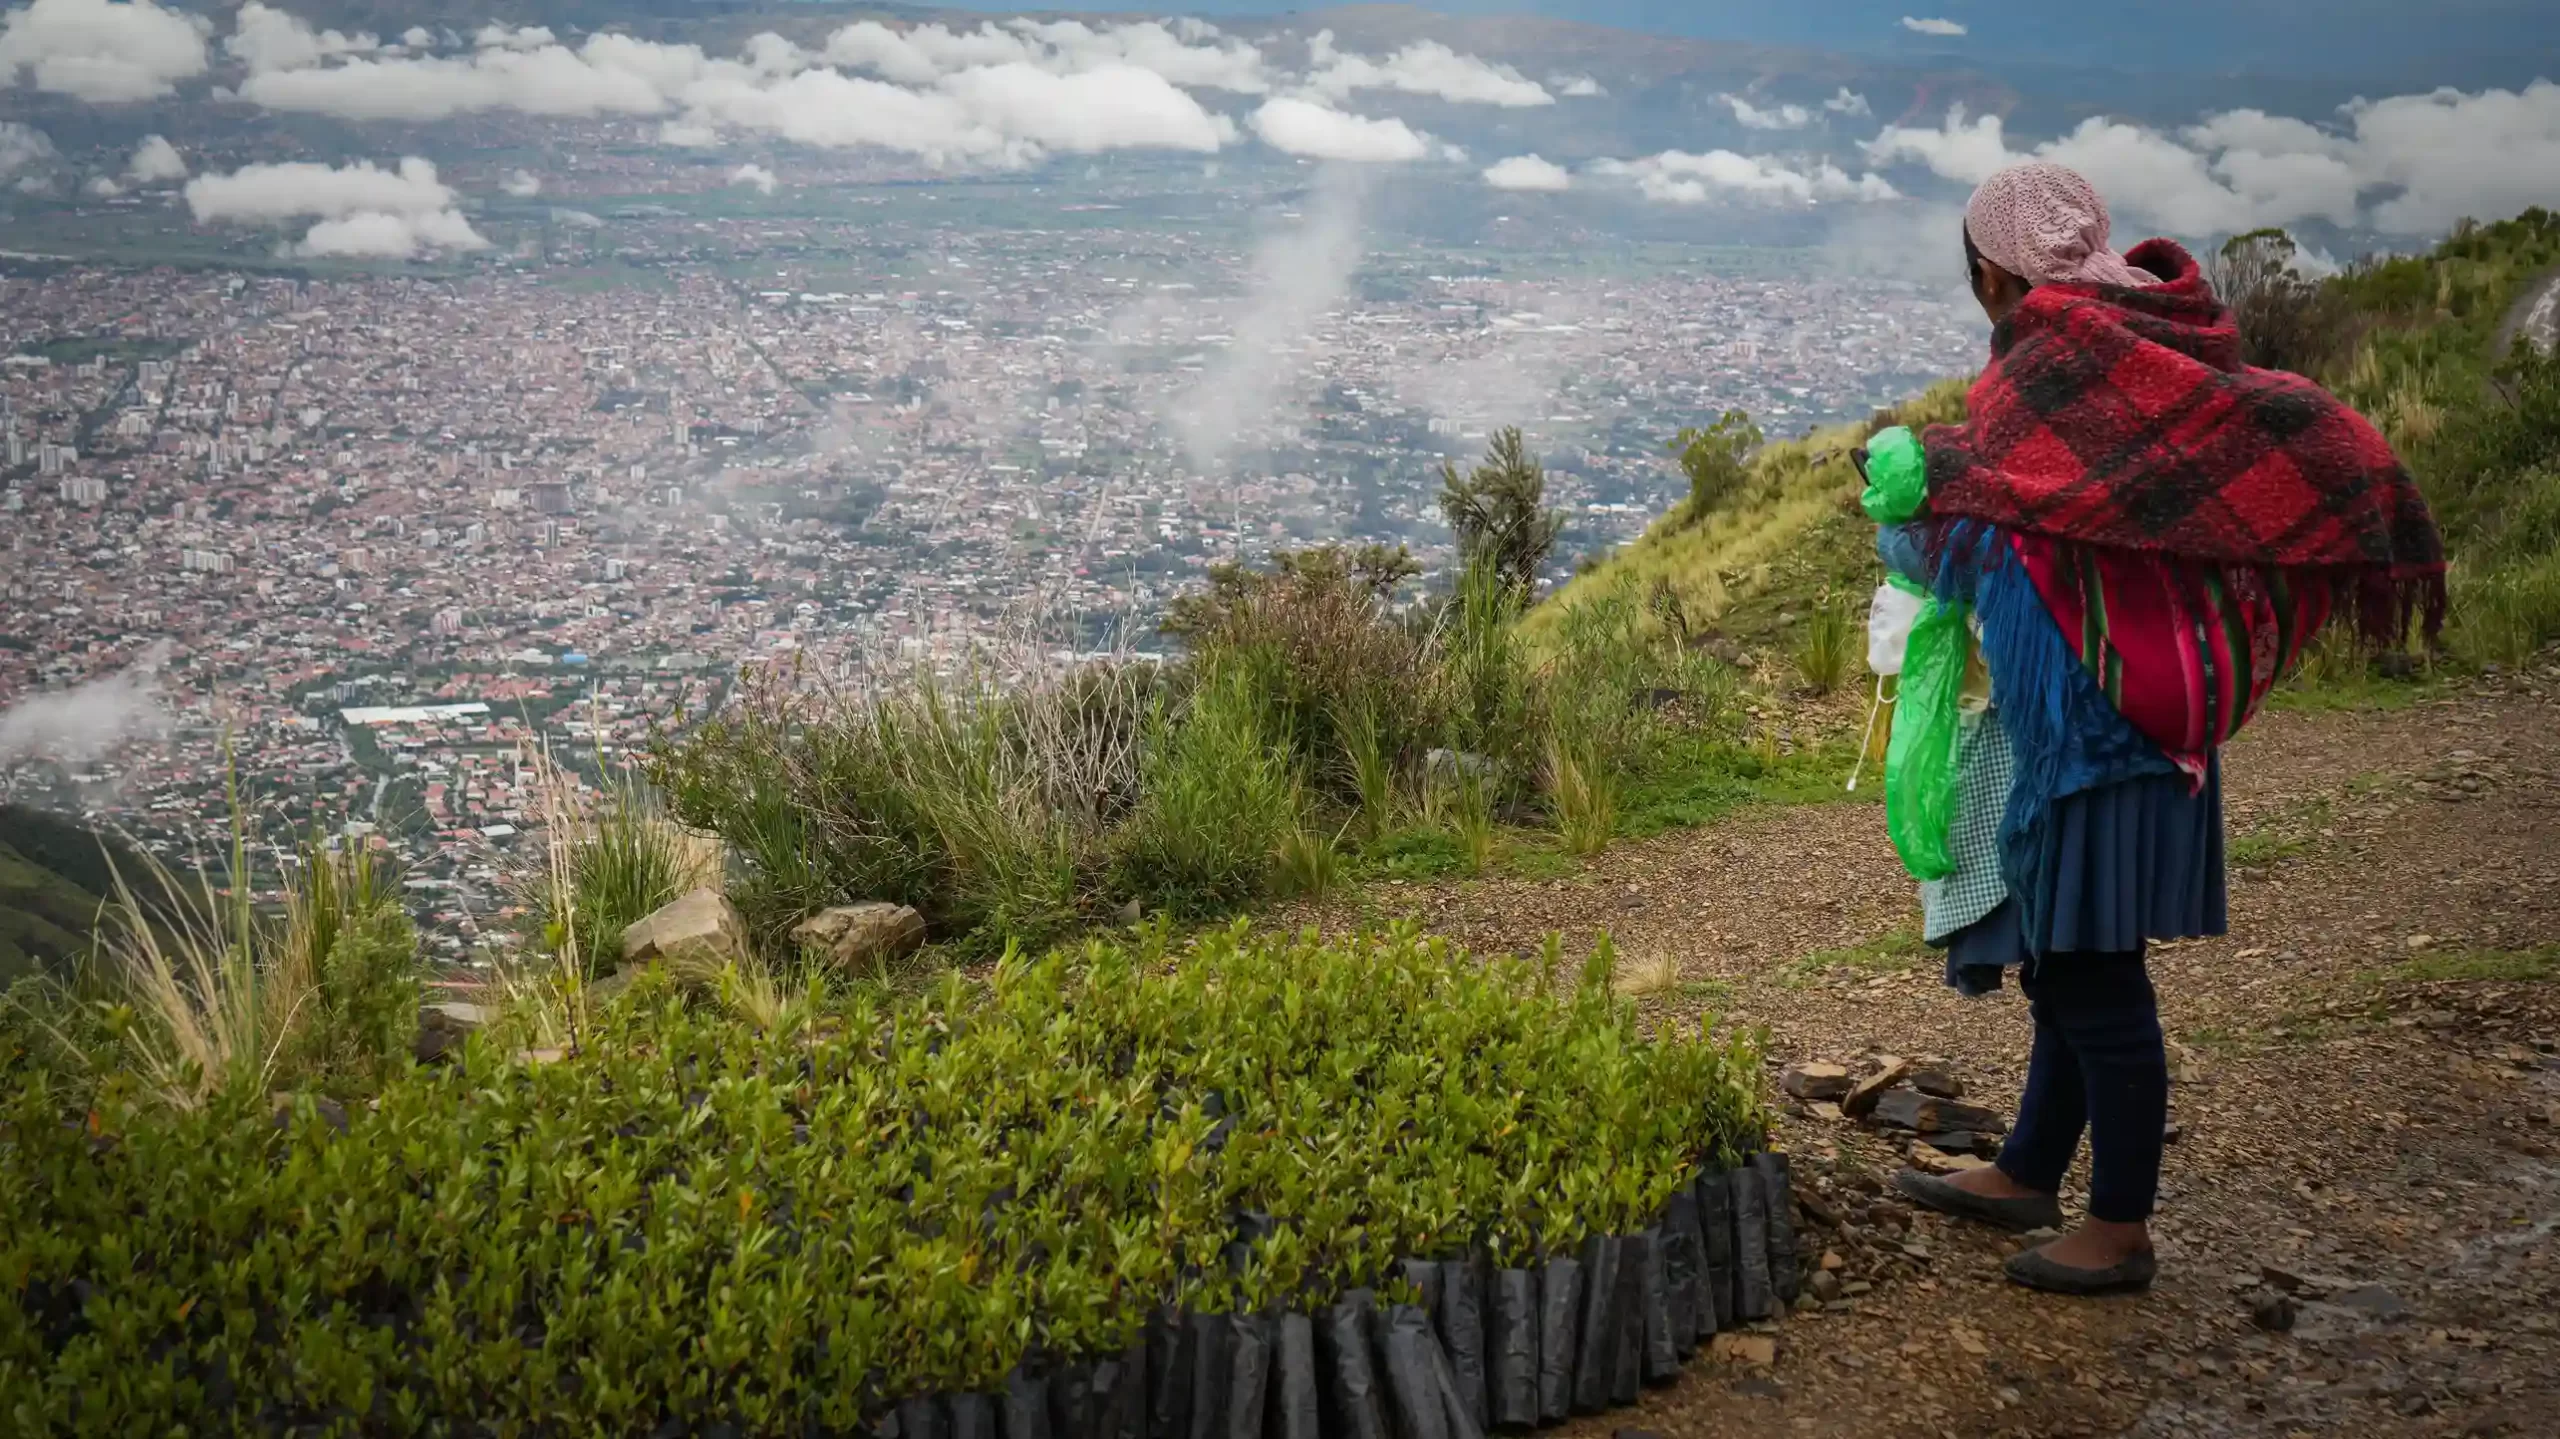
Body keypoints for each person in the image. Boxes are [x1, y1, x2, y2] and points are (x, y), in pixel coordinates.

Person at [1875, 162, 2445, 1295]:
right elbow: (2292, 447)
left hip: (2097, 740)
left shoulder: (2043, 372)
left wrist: (1906, 505)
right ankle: (2031, 1168)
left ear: (1988, 269)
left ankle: (2120, 1224)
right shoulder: (2159, 351)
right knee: (2067, 965)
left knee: (2096, 985)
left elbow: (1986, 525)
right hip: (2140, 724)